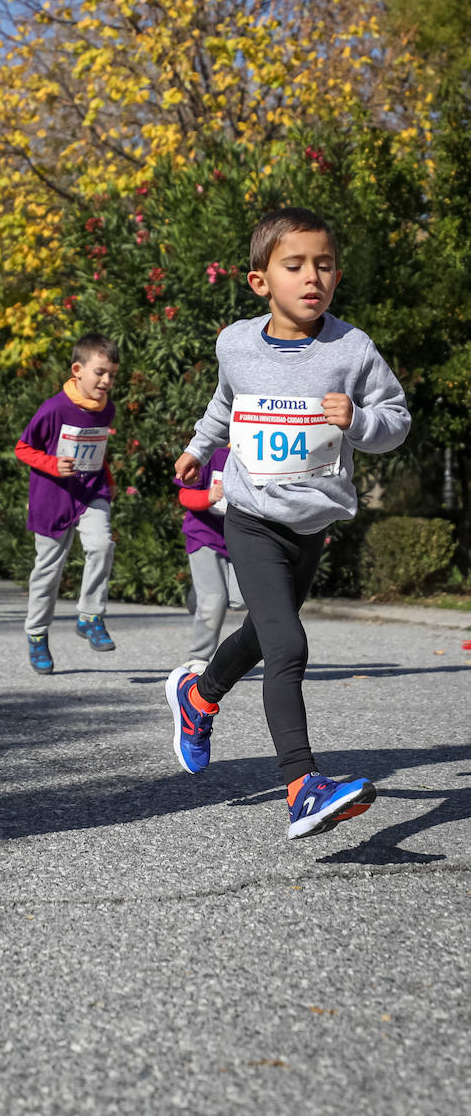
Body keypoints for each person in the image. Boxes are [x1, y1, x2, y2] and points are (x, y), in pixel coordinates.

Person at [168, 206, 410, 840]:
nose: (312, 278)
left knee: (263, 634)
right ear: (260, 281)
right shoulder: (236, 344)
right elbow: (227, 403)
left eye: (324, 265)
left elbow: (396, 418)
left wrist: (357, 420)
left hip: (312, 524)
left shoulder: (351, 349)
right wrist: (198, 447)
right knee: (289, 646)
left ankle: (198, 697)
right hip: (250, 516)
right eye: (295, 265)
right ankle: (303, 785)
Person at [15, 333, 119, 674]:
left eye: (112, 375)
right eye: (100, 372)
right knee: (48, 571)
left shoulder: (107, 409)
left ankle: (90, 616)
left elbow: (96, 448)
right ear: (77, 370)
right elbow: (23, 448)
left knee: (102, 545)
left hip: (91, 492)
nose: (106, 381)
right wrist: (51, 464)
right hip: (52, 497)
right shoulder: (54, 408)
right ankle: (37, 634)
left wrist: (109, 480)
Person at [174, 445, 245, 676]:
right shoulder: (210, 453)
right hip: (203, 535)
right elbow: (184, 494)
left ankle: (198, 594)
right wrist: (208, 495)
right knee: (215, 598)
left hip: (238, 538)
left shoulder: (257, 455)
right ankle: (198, 658)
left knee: (241, 599)